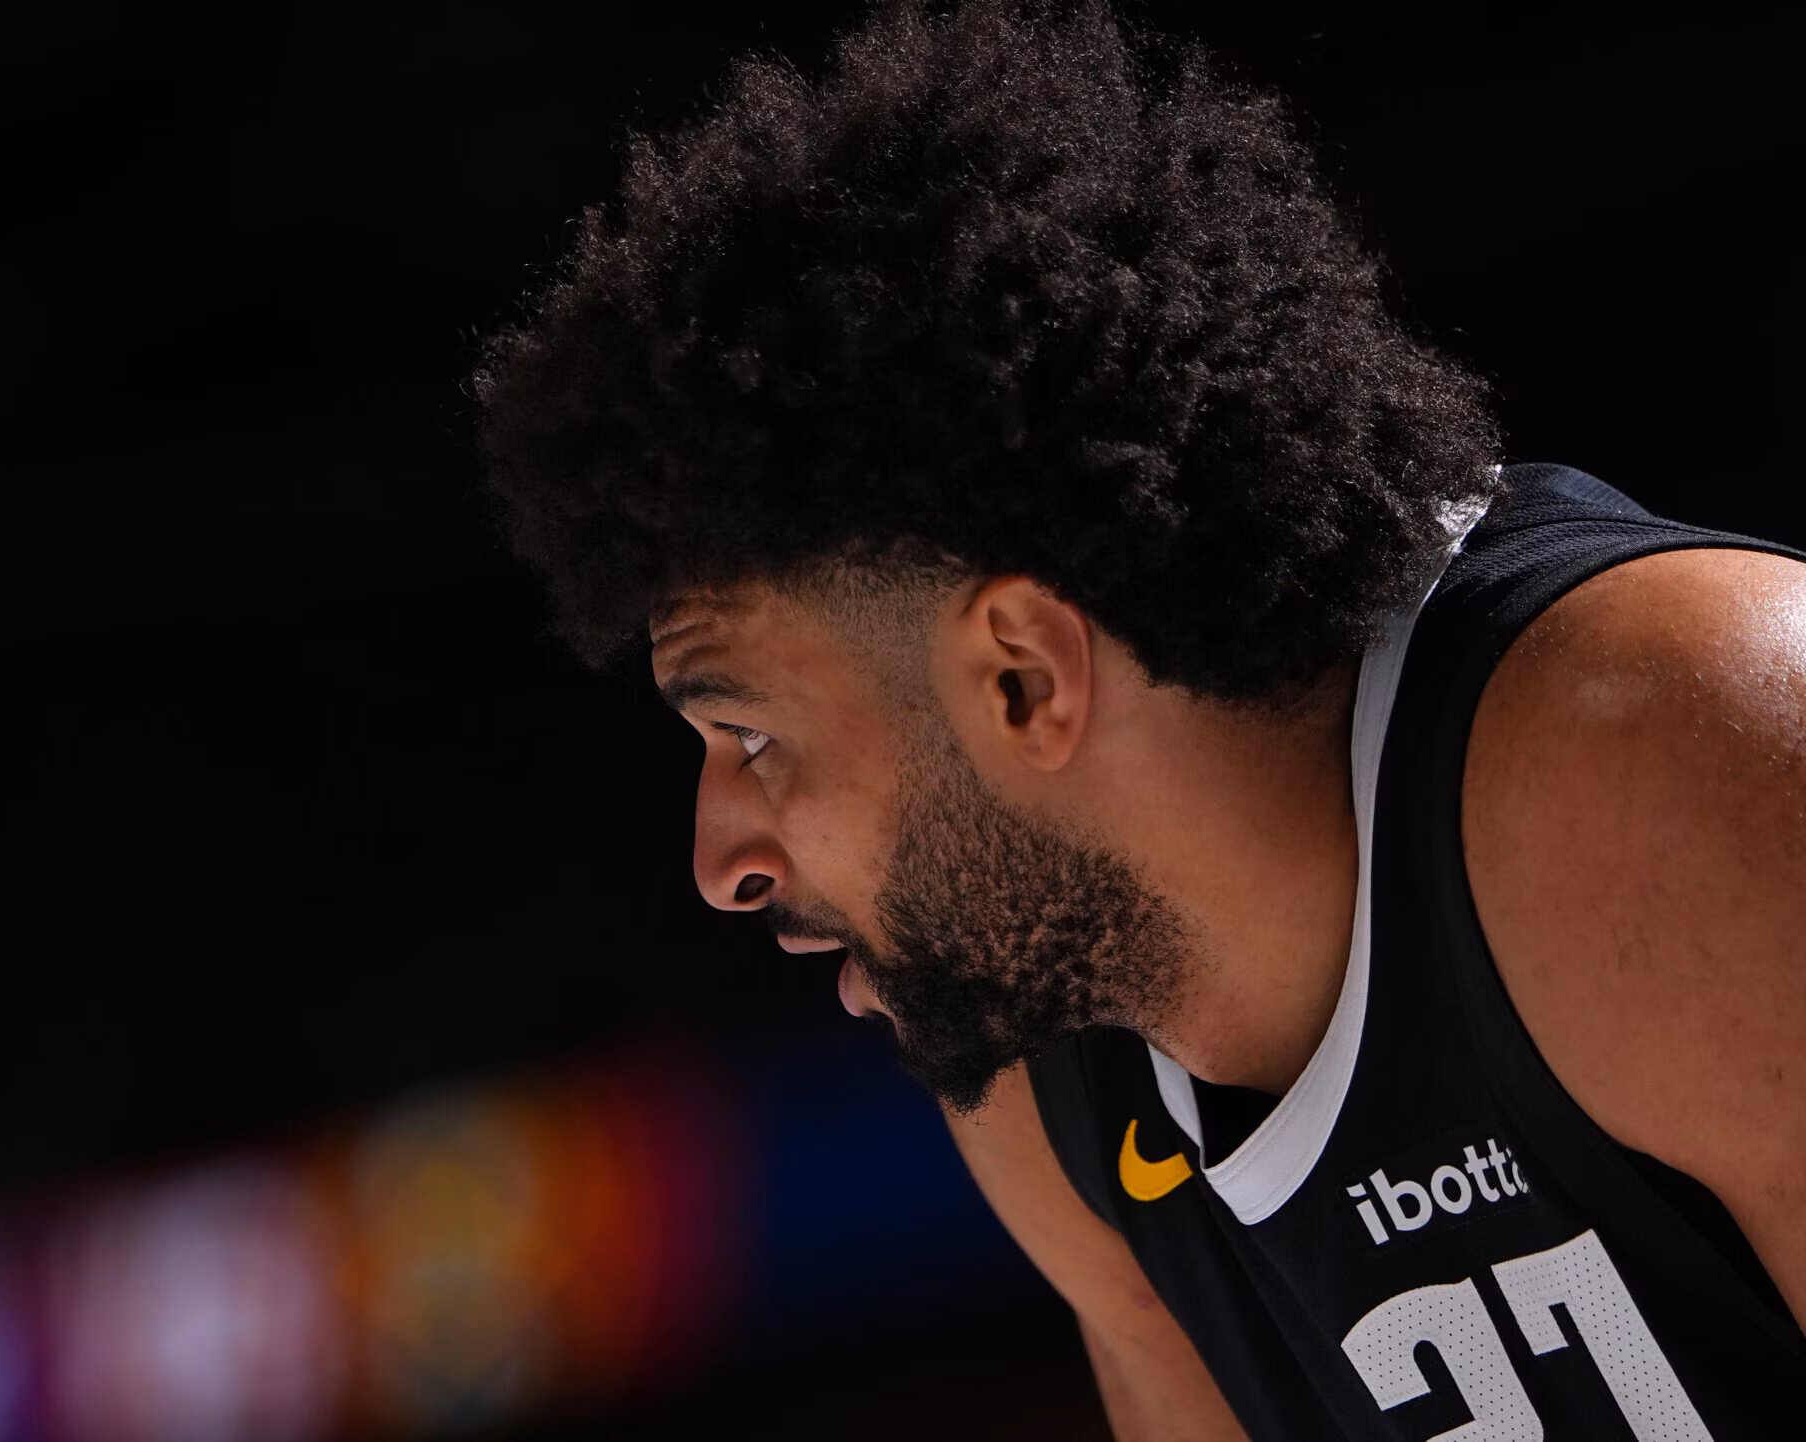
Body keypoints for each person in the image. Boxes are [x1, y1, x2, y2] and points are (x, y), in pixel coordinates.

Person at [466, 0, 1806, 1435]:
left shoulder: (1679, 754)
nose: (720, 860)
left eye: (752, 737)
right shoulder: (1043, 1066)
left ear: (1023, 679)